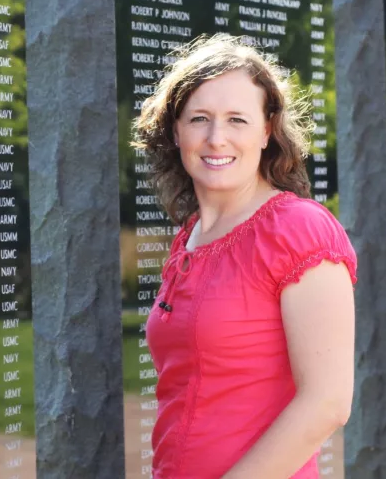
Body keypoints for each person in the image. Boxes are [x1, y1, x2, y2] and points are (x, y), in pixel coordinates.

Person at [133, 34, 358, 479]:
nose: (216, 138)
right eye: (199, 118)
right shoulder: (190, 237)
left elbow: (327, 403)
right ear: (175, 131)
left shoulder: (298, 229)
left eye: (237, 119)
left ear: (267, 130)